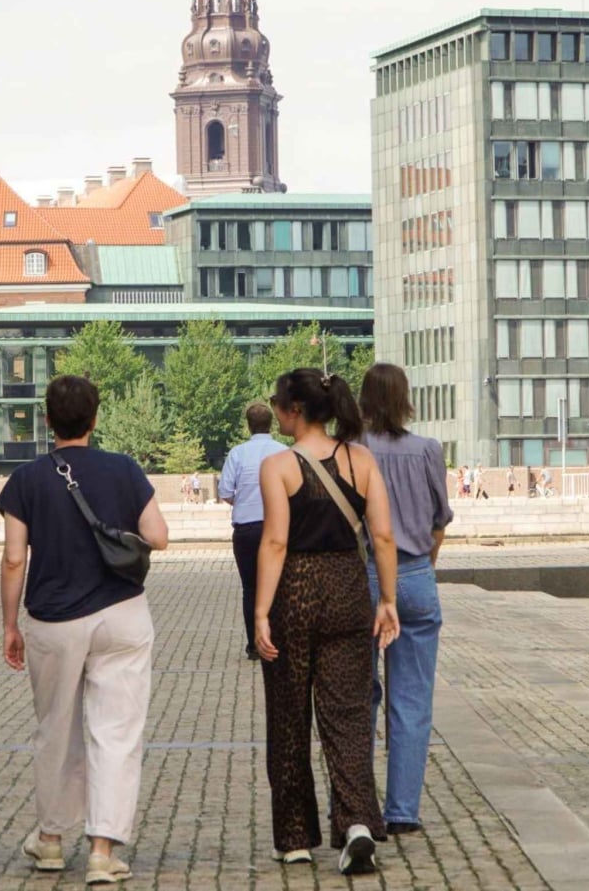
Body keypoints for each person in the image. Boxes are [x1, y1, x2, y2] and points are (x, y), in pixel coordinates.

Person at [0, 375, 170, 885]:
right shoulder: (124, 469)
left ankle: (50, 841)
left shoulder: (26, 479)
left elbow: (12, 559)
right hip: (122, 614)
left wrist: (10, 624)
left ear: (47, 420)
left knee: (55, 729)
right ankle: (102, 849)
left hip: (53, 619)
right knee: (116, 732)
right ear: (96, 418)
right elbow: (158, 536)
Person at [256, 369, 398, 875]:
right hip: (347, 590)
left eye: (276, 402)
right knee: (348, 716)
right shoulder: (360, 459)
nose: (274, 409)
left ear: (293, 410)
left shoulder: (279, 466)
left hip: (295, 591)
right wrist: (388, 600)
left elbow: (274, 542)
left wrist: (260, 611)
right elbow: (382, 536)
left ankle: (295, 836)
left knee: (290, 715)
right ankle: (357, 822)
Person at [359, 363, 454, 836]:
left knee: (358, 696)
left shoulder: (352, 451)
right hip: (415, 573)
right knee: (412, 698)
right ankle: (401, 811)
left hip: (361, 579)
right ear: (405, 400)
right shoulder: (428, 450)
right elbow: (441, 520)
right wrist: (423, 568)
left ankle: (356, 805)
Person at [218, 403, 288, 659]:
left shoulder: (237, 454)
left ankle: (254, 646)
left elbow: (225, 491)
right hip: (278, 526)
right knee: (279, 586)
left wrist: (245, 502)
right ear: (271, 423)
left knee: (250, 588)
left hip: (246, 529)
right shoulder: (284, 452)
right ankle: (278, 640)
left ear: (248, 425)